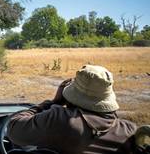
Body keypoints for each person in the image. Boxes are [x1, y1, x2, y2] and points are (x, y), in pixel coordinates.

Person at [7, 65, 137, 154]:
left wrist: (53, 102)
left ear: (70, 95)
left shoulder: (60, 119)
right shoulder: (129, 131)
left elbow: (13, 129)